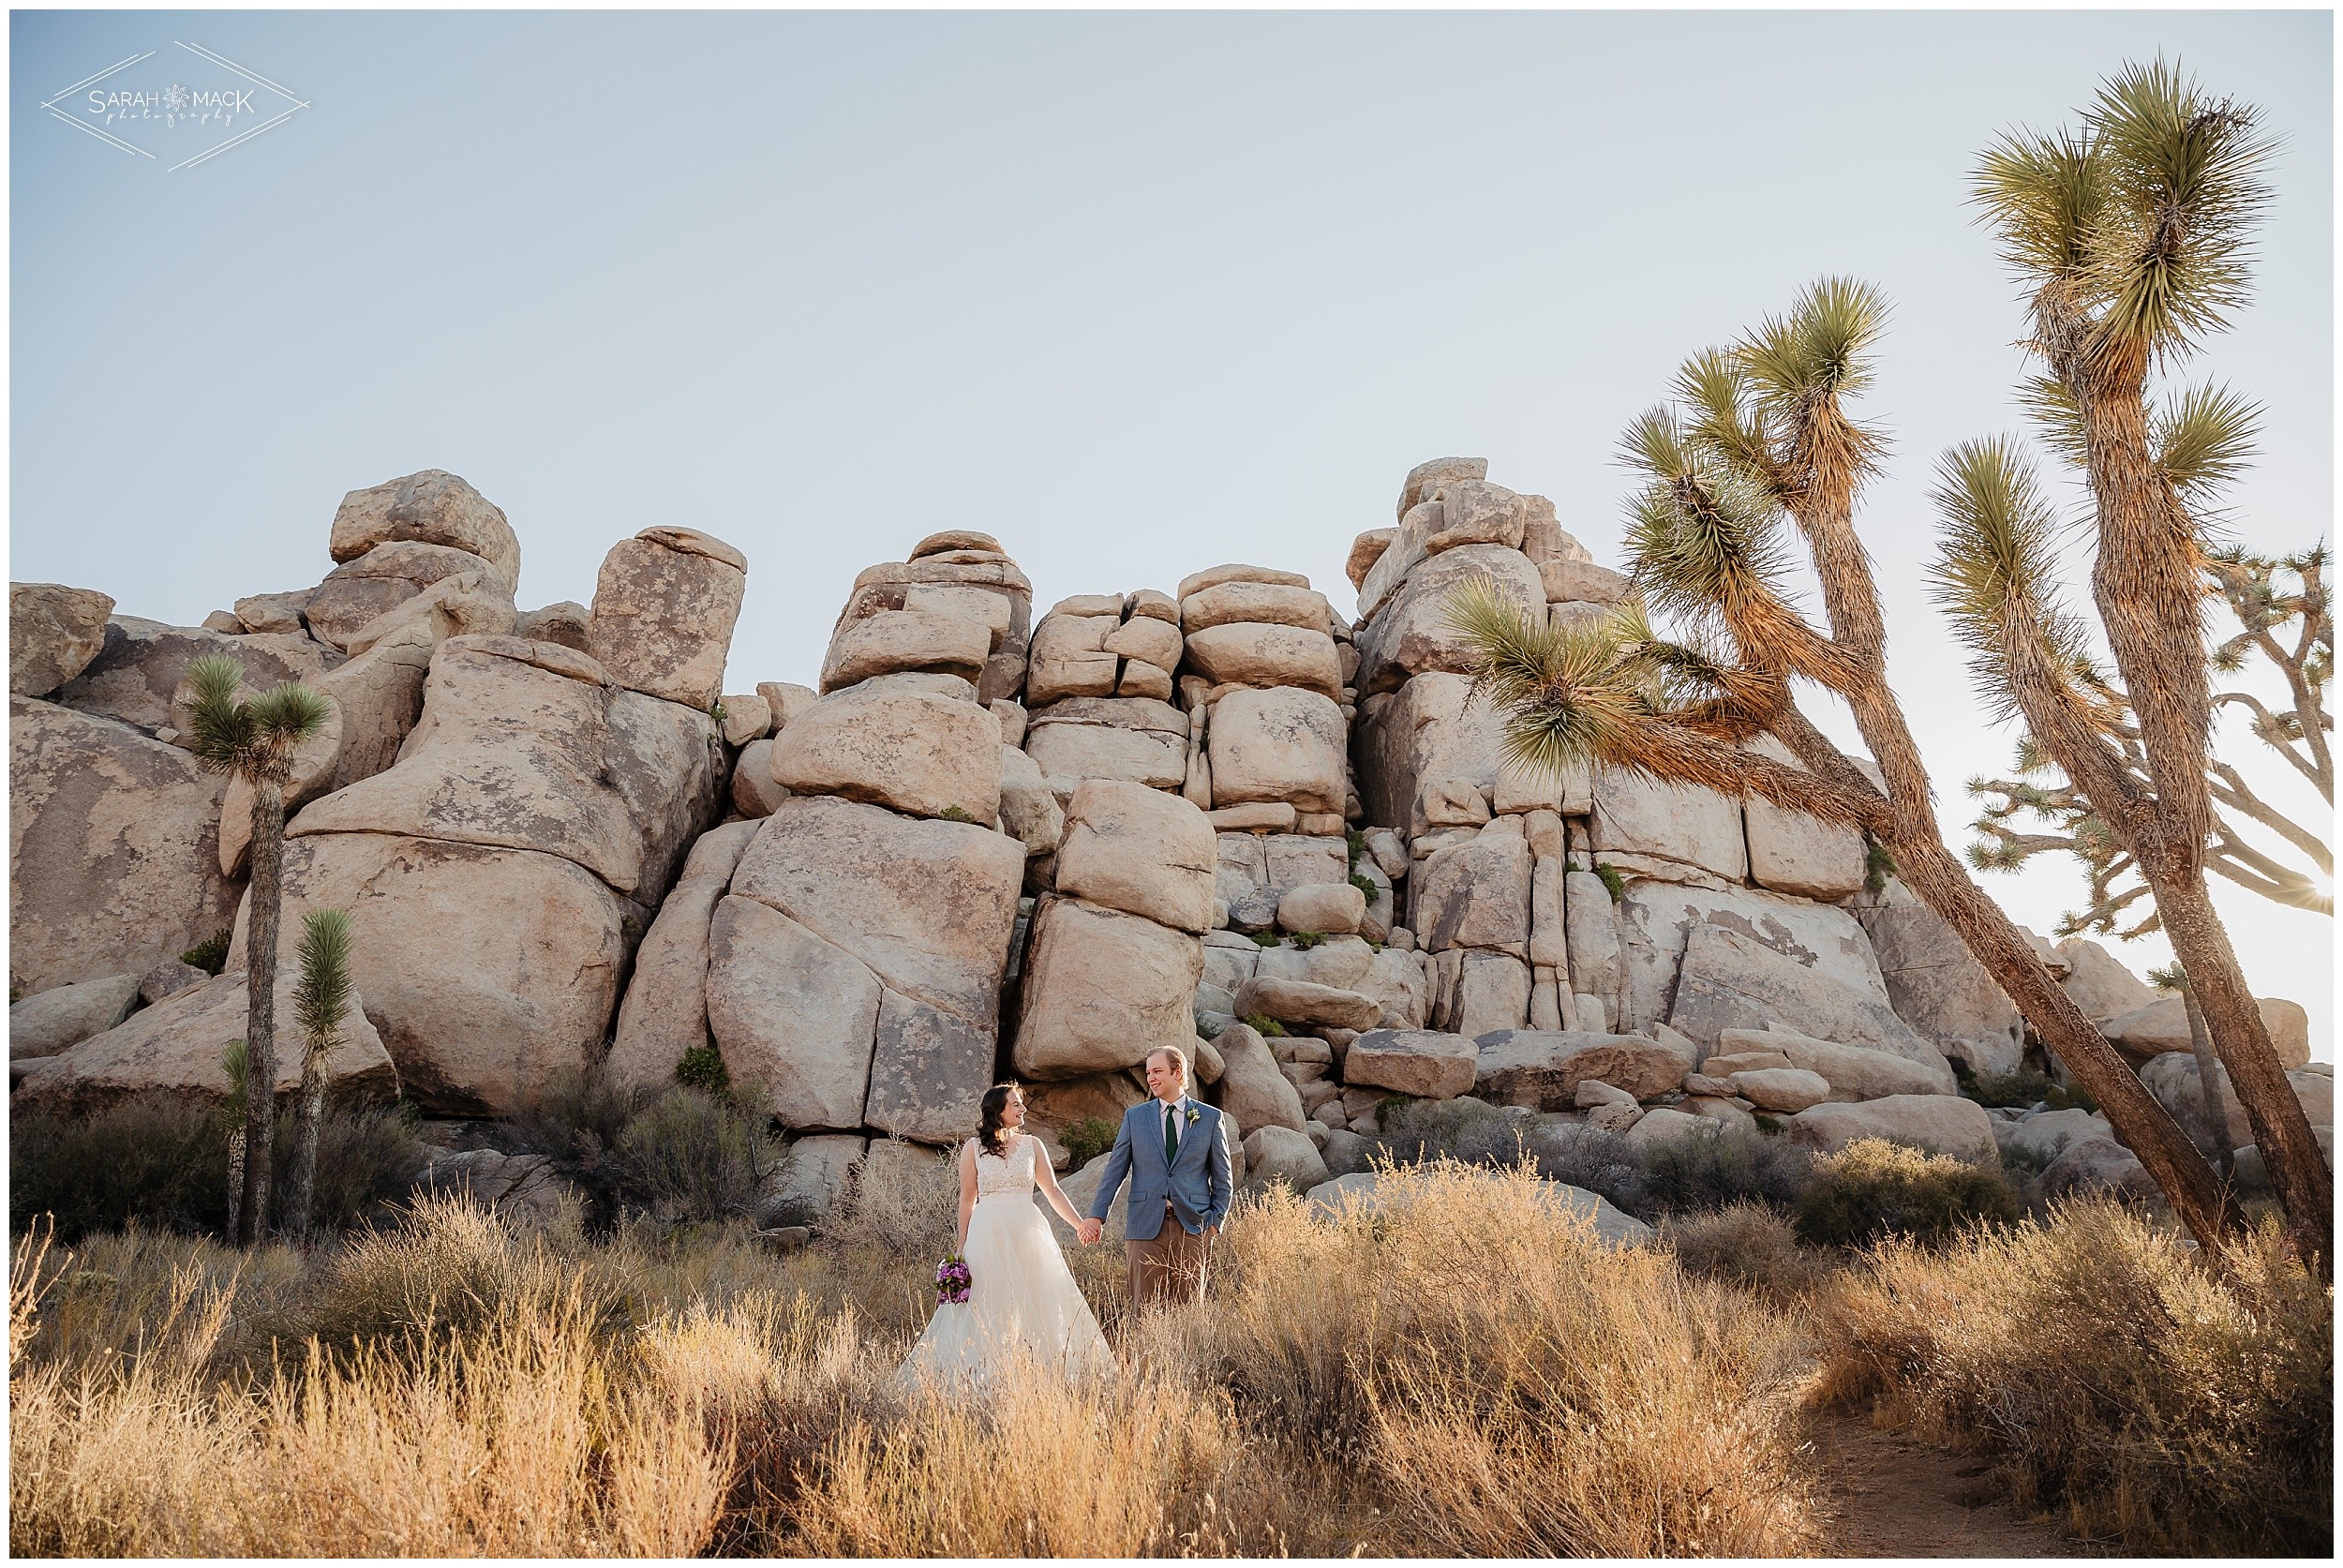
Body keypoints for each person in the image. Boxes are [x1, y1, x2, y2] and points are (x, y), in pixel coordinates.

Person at [895, 1082, 1117, 1386]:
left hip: (1027, 1230)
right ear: (997, 1110)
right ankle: (984, 1377)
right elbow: (967, 1199)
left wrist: (1079, 1223)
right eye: (1015, 1104)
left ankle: (1036, 1375)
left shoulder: (1033, 1145)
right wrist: (961, 1249)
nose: (1023, 1109)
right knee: (988, 1303)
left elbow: (1052, 1190)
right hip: (988, 1233)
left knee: (1036, 1300)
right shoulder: (974, 1148)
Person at [1076, 1045, 1232, 1310]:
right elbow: (1115, 1170)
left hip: (1193, 1227)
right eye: (1148, 1072)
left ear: (1178, 1072)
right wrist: (1096, 1216)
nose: (1151, 1078)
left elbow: (1223, 1179)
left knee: (1190, 1312)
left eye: (1157, 1071)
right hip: (1144, 1227)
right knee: (1145, 1310)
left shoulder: (1209, 1117)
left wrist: (1215, 1222)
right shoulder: (1135, 1118)